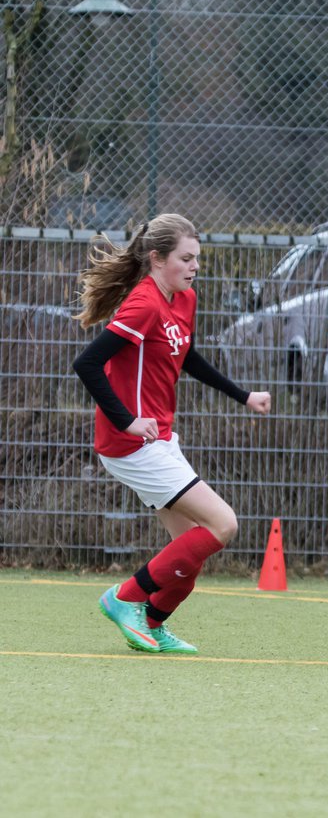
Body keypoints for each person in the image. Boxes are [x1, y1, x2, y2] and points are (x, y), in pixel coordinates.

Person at [72, 214, 271, 654]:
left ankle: (153, 623)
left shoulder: (183, 298)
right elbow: (87, 364)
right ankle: (124, 598)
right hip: (131, 444)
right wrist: (126, 419)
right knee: (223, 524)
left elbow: (187, 357)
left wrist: (244, 396)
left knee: (189, 549)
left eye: (197, 257)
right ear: (157, 258)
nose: (194, 265)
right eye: (186, 258)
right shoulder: (144, 304)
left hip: (158, 439)